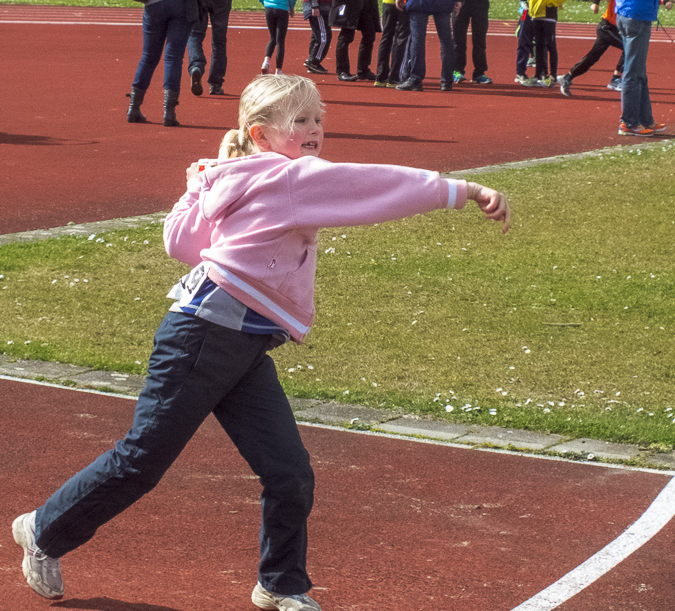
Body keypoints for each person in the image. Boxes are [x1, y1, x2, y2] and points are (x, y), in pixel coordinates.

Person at [12, 74, 510, 611]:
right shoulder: (289, 179)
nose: (315, 129)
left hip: (239, 343)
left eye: (319, 117)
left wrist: (201, 184)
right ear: (261, 133)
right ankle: (43, 529)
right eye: (300, 120)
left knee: (288, 471)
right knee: (142, 461)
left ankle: (280, 583)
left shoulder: (245, 175)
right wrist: (466, 190)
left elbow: (183, 244)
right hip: (201, 338)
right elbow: (371, 186)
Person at [614, 0, 675, 136]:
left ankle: (645, 119)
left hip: (624, 12)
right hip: (638, 14)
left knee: (638, 69)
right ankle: (628, 122)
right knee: (633, 71)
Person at [524, 0, 569, 87]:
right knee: (538, 45)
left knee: (550, 45)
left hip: (549, 15)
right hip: (536, 13)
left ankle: (553, 76)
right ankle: (538, 74)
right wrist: (531, 0)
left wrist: (551, 2)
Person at [514, 0, 540, 85]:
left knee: (540, 42)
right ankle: (520, 73)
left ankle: (540, 73)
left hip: (540, 13)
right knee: (523, 40)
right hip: (527, 12)